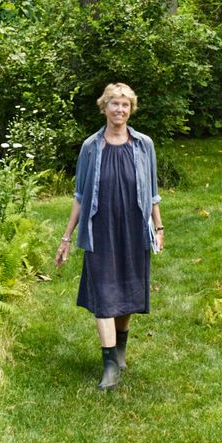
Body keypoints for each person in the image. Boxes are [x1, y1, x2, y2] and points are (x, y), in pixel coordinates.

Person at [54, 82, 163, 390]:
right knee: (104, 292)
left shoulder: (144, 145)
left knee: (128, 290)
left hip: (132, 227)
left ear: (131, 109)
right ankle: (109, 365)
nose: (120, 110)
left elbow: (153, 193)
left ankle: (120, 347)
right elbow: (80, 195)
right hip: (100, 228)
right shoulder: (91, 147)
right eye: (114, 104)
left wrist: (159, 227)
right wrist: (66, 237)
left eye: (125, 104)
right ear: (104, 107)